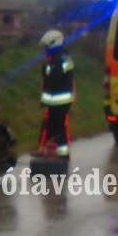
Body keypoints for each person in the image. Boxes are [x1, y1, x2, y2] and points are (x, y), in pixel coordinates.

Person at [38, 30, 75, 158]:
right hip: (59, 101)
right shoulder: (61, 58)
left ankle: (62, 155)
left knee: (59, 128)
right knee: (53, 127)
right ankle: (50, 152)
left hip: (58, 101)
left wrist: (44, 101)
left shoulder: (57, 62)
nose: (44, 50)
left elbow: (53, 83)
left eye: (46, 47)